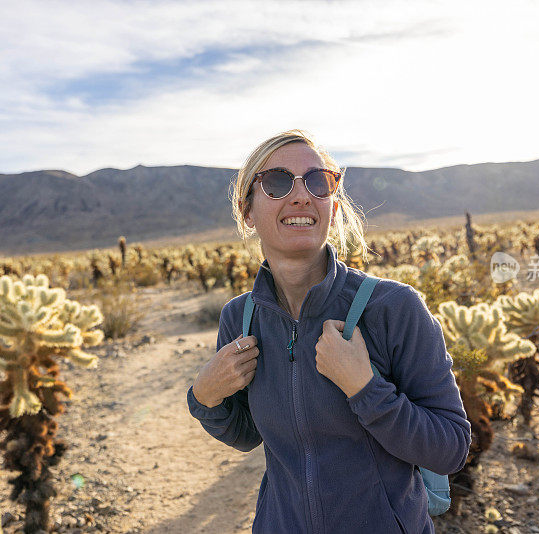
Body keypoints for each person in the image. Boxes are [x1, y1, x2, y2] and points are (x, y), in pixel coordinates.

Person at [186, 129, 470, 533]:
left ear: (333, 206)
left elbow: (451, 449)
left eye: (319, 181)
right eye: (278, 180)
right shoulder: (241, 318)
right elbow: (249, 434)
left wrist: (366, 389)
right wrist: (205, 398)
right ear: (247, 210)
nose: (302, 195)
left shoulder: (392, 308)